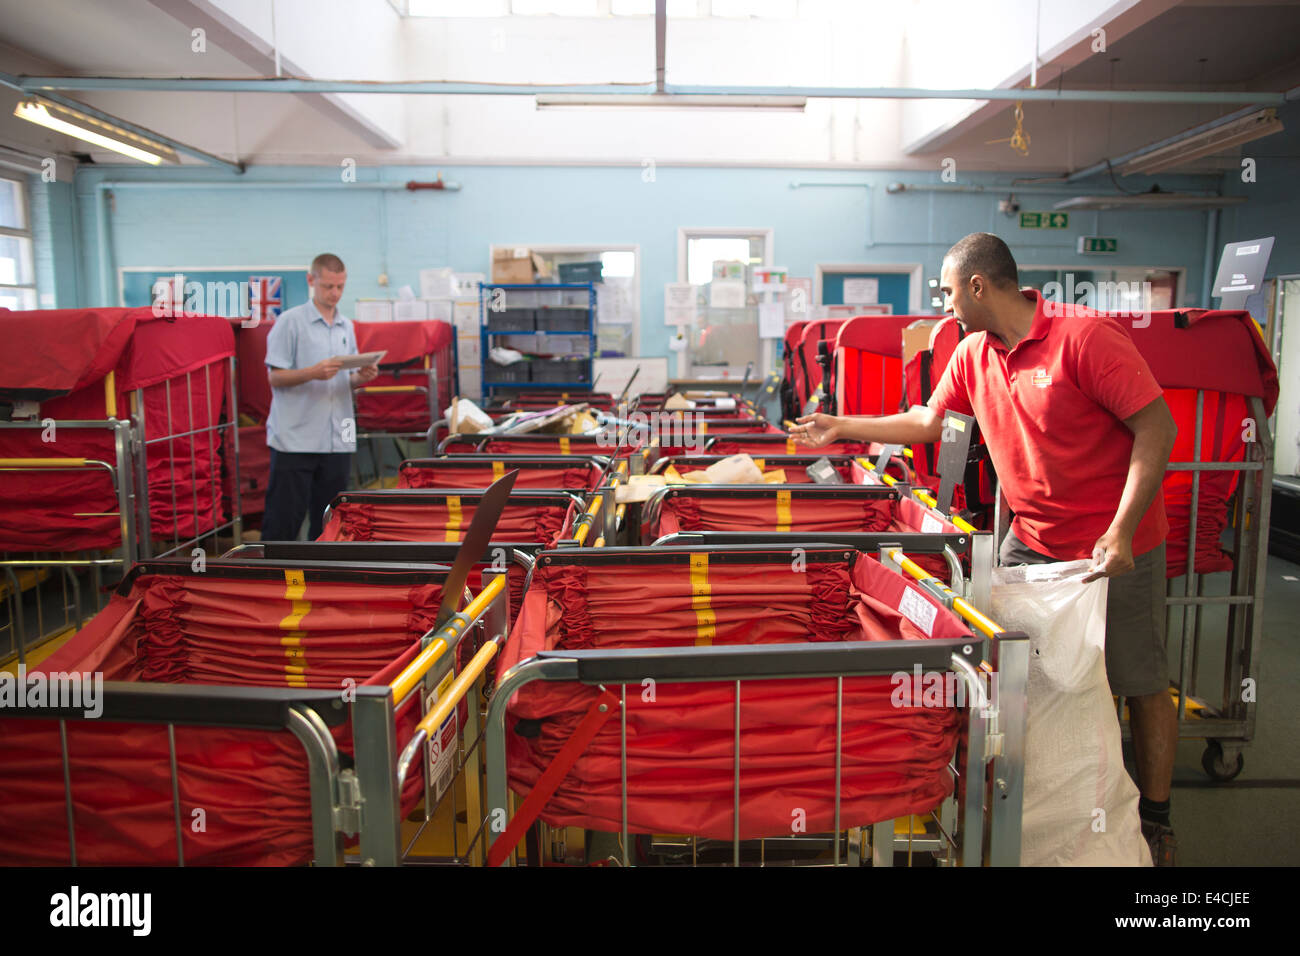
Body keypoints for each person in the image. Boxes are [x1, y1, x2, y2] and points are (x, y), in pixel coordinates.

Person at [792, 233, 1180, 866]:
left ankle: (1157, 821)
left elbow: (1156, 426)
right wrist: (843, 425)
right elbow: (928, 421)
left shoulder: (1085, 339)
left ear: (978, 286)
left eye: (948, 292)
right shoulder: (974, 353)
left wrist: (1121, 527)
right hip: (1028, 542)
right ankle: (1042, 806)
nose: (943, 306)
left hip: (1115, 547)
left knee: (1137, 678)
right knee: (1028, 676)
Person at [261, 253, 378, 541]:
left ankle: (320, 578)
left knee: (330, 523)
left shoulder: (346, 327)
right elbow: (275, 377)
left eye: (340, 286)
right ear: (311, 280)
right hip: (295, 439)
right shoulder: (290, 322)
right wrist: (312, 372)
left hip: (338, 439)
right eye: (328, 286)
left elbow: (342, 379)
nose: (335, 293)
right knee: (284, 520)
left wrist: (359, 378)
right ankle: (271, 578)